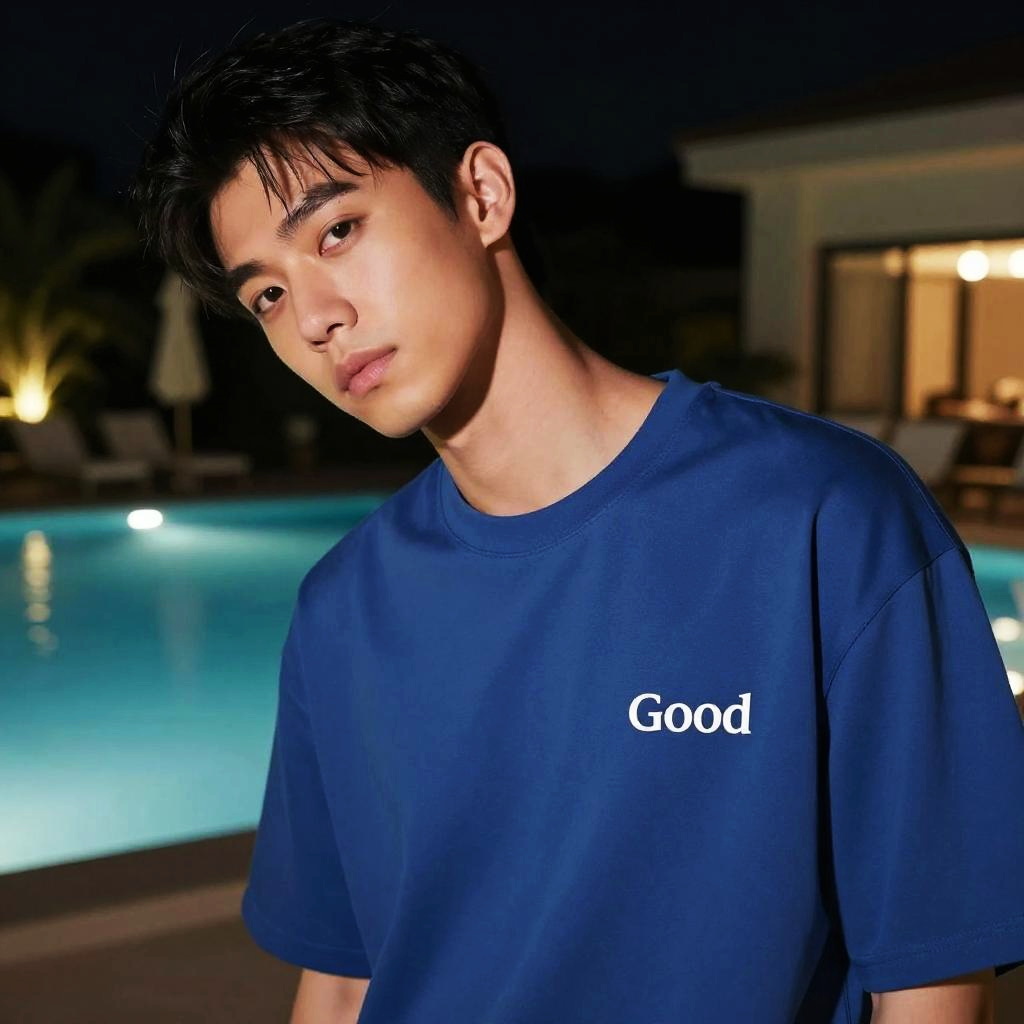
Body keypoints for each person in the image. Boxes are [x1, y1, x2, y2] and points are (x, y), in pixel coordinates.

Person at [132, 17, 1024, 1024]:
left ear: (480, 194)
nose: (313, 317)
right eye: (265, 294)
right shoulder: (343, 607)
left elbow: (932, 972)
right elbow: (342, 980)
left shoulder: (823, 517)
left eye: (336, 231)